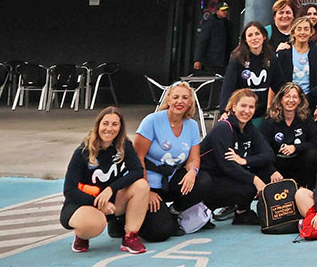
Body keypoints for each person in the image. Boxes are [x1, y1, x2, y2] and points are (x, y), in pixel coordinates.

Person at [61, 107, 149, 254]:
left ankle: (130, 237)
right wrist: (98, 203)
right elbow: (69, 190)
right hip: (83, 203)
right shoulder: (82, 152)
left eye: (115, 124)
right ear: (98, 126)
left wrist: (111, 189)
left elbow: (137, 171)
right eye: (105, 123)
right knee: (96, 224)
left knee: (141, 186)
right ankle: (82, 236)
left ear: (120, 128)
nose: (109, 128)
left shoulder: (124, 146)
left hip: (111, 201)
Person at [133, 82, 213, 242]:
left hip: (172, 179)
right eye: (175, 97)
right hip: (149, 182)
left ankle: (174, 212)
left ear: (190, 102)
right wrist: (145, 191)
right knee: (160, 233)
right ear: (168, 100)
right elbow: (137, 158)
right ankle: (121, 220)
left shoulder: (192, 125)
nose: (180, 101)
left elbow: (193, 158)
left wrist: (192, 172)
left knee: (203, 180)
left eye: (185, 98)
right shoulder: (152, 121)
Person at [199, 89, 278, 225]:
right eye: (243, 106)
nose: (247, 111)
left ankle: (242, 213)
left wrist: (245, 160)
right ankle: (204, 207)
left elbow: (269, 155)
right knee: (250, 184)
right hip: (205, 180)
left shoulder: (249, 128)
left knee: (265, 170)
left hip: (224, 175)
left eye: (251, 107)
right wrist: (255, 180)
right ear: (234, 106)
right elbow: (227, 165)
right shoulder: (224, 128)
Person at [262, 81, 317, 189]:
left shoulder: (306, 118)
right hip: (278, 164)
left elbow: (315, 142)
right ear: (281, 99)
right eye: (287, 96)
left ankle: (309, 189)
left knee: (313, 155)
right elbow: (263, 148)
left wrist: (295, 147)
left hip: (298, 163)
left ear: (300, 100)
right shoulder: (270, 119)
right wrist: (272, 171)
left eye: (295, 97)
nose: (291, 100)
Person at [218, 21, 274, 120]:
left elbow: (279, 85)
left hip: (263, 113)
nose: (254, 38)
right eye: (250, 35)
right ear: (245, 40)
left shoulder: (271, 57)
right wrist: (224, 111)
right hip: (242, 111)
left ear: (264, 36)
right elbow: (228, 86)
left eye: (257, 34)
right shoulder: (237, 59)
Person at [271, 17, 317, 95]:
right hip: (287, 98)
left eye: (306, 29)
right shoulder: (283, 53)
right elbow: (274, 81)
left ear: (311, 32)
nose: (302, 32)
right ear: (293, 32)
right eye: (299, 29)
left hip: (309, 99)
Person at [193, 2, 230, 73]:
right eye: (223, 10)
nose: (225, 12)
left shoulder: (228, 25)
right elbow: (202, 42)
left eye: (227, 10)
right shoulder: (209, 24)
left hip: (225, 61)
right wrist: (197, 59)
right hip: (211, 61)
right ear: (217, 11)